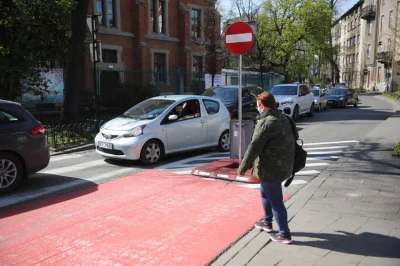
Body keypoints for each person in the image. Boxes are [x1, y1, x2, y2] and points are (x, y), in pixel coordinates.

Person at [237, 92, 297, 244]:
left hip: (269, 168)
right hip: (284, 164)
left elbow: (254, 147)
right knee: (265, 194)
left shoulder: (265, 123)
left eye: (258, 106)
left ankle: (284, 234)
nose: (257, 108)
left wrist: (243, 167)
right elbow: (295, 137)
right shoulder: (285, 118)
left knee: (276, 201)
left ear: (262, 106)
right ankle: (267, 222)